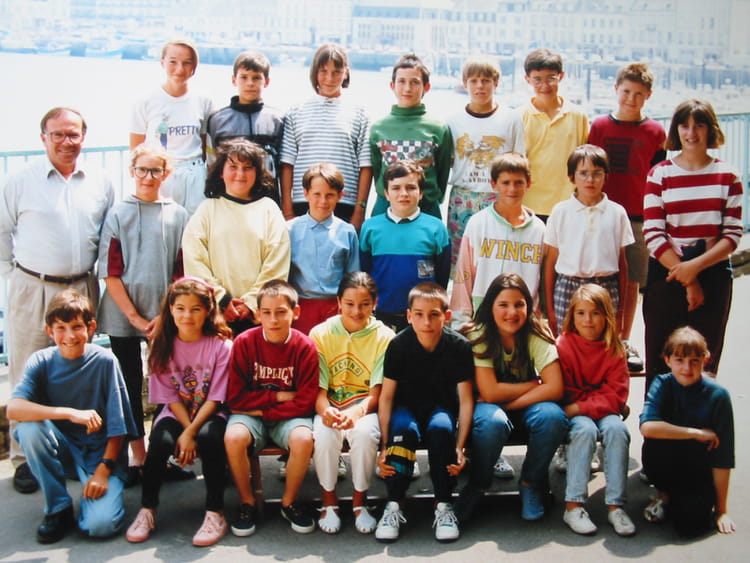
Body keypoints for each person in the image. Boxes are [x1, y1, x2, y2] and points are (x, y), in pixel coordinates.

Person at [0, 106, 114, 495]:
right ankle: (24, 459)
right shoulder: (19, 181)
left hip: (81, 286)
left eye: (73, 134)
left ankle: (75, 450)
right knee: (26, 369)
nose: (67, 141)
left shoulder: (100, 180)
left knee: (77, 370)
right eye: (58, 134)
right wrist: (13, 277)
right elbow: (2, 231)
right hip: (34, 286)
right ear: (43, 138)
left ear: (84, 137)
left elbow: (106, 235)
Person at [7, 290, 137, 543]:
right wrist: (69, 413)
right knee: (29, 430)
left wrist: (103, 471)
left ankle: (99, 491)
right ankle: (58, 508)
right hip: (63, 449)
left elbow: (118, 425)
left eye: (77, 327)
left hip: (100, 454)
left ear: (91, 328)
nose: (69, 336)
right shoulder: (41, 361)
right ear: (49, 331)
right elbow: (14, 408)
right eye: (61, 328)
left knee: (101, 526)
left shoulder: (105, 361)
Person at [97, 142, 188, 483]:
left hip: (165, 314)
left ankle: (166, 454)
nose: (148, 177)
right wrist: (134, 317)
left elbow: (182, 271)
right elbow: (110, 271)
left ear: (166, 173)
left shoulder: (177, 214)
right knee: (128, 385)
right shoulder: (117, 214)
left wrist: (166, 314)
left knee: (168, 384)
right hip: (123, 313)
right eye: (142, 170)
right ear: (132, 171)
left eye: (155, 170)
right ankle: (139, 455)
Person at [642, 99, 743, 390]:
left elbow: (732, 235)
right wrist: (688, 279)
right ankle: (657, 418)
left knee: (703, 359)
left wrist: (695, 269)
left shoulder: (728, 176)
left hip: (713, 274)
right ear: (676, 130)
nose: (691, 132)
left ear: (710, 130)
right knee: (660, 359)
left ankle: (701, 419)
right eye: (684, 126)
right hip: (667, 273)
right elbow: (654, 234)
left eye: (699, 125)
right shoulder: (660, 174)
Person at [125, 278, 233, 547]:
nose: (187, 316)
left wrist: (192, 433)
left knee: (210, 438)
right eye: (180, 308)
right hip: (177, 412)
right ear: (170, 310)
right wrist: (186, 432)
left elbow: (216, 398)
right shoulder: (161, 345)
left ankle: (215, 512)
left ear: (207, 311)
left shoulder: (221, 346)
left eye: (195, 309)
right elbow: (170, 399)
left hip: (210, 412)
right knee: (160, 441)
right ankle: (147, 508)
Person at [455, 273, 568, 523]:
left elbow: (555, 387)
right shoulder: (479, 334)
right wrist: (534, 384)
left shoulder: (535, 332)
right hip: (486, 408)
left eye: (519, 304)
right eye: (503, 305)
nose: (512, 312)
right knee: (493, 421)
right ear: (490, 307)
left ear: (528, 306)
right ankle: (477, 485)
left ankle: (531, 483)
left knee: (553, 416)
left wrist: (511, 402)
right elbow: (490, 392)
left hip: (523, 405)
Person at [375, 282, 474, 543]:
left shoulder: (459, 346)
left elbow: (465, 400)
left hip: (440, 408)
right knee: (403, 431)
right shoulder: (398, 345)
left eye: (434, 314)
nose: (426, 322)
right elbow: (387, 397)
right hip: (406, 408)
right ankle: (394, 503)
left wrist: (461, 446)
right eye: (418, 314)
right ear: (409, 316)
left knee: (441, 429)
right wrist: (383, 447)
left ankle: (443, 503)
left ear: (447, 316)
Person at [588, 62, 667, 372]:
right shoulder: (599, 126)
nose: (631, 99)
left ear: (648, 96)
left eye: (638, 94)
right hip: (602, 212)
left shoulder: (656, 132)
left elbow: (658, 177)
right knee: (599, 276)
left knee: (631, 281)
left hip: (637, 216)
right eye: (626, 92)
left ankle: (623, 338)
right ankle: (594, 339)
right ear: (616, 90)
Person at [223, 280, 318, 536]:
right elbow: (235, 399)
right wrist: (277, 397)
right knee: (234, 437)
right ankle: (248, 502)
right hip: (252, 417)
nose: (273, 319)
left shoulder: (305, 346)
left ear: (295, 312)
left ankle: (289, 502)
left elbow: (305, 401)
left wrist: (263, 409)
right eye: (266, 312)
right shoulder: (244, 342)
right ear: (257, 314)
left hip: (287, 417)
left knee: (303, 438)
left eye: (281, 312)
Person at [309, 272, 395, 534]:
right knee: (325, 435)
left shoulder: (384, 337)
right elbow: (318, 390)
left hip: (364, 407)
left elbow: (377, 392)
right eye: (349, 304)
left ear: (375, 303)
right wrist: (326, 411)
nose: (356, 311)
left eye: (364, 304)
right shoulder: (320, 333)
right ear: (338, 302)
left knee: (365, 434)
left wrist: (356, 413)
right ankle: (329, 502)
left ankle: (360, 502)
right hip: (330, 405)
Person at [182, 139, 290, 336]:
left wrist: (252, 302)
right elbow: (194, 259)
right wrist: (221, 299)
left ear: (257, 173)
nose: (240, 174)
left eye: (248, 168)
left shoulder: (269, 209)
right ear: (221, 172)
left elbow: (277, 261)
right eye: (233, 167)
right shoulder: (207, 209)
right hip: (217, 315)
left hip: (260, 315)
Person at [640, 326, 736, 537]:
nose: (686, 368)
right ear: (667, 360)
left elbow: (723, 457)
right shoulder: (662, 384)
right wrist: (696, 433)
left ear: (705, 359)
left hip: (697, 468)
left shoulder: (718, 396)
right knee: (655, 438)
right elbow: (647, 427)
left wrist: (721, 510)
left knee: (690, 526)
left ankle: (686, 500)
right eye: (679, 360)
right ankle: (664, 495)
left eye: (694, 360)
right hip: (668, 460)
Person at [557, 285, 635, 537]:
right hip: (579, 414)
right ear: (572, 316)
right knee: (584, 430)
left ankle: (616, 506)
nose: (587, 320)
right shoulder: (564, 345)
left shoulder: (614, 348)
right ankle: (573, 505)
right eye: (581, 313)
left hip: (594, 409)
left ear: (606, 316)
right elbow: (565, 389)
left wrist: (582, 405)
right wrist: (585, 405)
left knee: (617, 429)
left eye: (595, 313)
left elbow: (617, 395)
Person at [544, 144, 634, 336]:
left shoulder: (617, 213)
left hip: (606, 286)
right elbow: (550, 262)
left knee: (602, 342)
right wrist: (550, 310)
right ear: (572, 177)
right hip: (568, 286)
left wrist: (621, 312)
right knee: (566, 343)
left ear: (606, 176)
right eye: (583, 173)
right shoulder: (560, 212)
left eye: (597, 173)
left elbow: (622, 263)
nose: (590, 179)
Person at [280, 43, 371, 230]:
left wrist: (359, 211)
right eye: (323, 71)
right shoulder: (296, 111)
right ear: (315, 72)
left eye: (336, 72)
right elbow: (287, 163)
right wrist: (287, 209)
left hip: (344, 202)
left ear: (346, 73)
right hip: (303, 201)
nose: (330, 78)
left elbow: (366, 166)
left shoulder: (359, 112)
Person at [450, 152, 544, 330]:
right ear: (494, 184)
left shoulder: (539, 229)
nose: (512, 189)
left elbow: (542, 280)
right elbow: (464, 273)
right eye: (506, 183)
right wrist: (460, 321)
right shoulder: (478, 223)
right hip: (483, 318)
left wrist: (539, 320)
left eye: (518, 183)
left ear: (528, 184)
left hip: (523, 320)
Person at [446, 54, 525, 266]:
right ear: (465, 84)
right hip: (463, 198)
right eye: (474, 80)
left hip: (499, 197)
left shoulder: (511, 119)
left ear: (496, 82)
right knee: (462, 262)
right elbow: (449, 161)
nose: (480, 86)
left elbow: (520, 162)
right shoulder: (453, 121)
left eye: (486, 80)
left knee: (497, 261)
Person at [360, 160, 450, 333]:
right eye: (396, 188)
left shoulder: (436, 228)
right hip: (382, 314)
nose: (403, 194)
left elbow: (442, 275)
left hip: (422, 317)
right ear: (386, 194)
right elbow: (365, 271)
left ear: (421, 193)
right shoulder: (370, 227)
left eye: (411, 188)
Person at [130, 38, 215, 215]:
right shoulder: (146, 101)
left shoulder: (203, 101)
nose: (179, 69)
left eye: (187, 63)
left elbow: (204, 143)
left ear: (194, 67)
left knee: (195, 226)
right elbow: (136, 149)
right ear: (162, 62)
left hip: (194, 175)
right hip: (160, 174)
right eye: (173, 62)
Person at [369, 53, 453, 219]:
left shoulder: (438, 128)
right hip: (386, 207)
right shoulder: (379, 128)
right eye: (401, 81)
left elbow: (443, 171)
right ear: (392, 85)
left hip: (426, 206)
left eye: (414, 82)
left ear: (426, 87)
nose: (407, 88)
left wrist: (434, 197)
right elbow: (376, 170)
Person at [288, 163, 360, 335]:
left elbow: (353, 276)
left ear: (340, 196)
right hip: (300, 306)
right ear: (306, 193)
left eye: (330, 195)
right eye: (317, 194)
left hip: (335, 308)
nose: (323, 201)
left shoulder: (347, 231)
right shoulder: (289, 230)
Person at [520, 48, 588, 220]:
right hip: (528, 203)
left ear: (561, 76)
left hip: (569, 204)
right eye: (537, 79)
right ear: (527, 79)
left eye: (551, 78)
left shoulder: (578, 116)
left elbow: (584, 162)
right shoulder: (519, 117)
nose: (544, 85)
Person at [207, 50, 284, 204]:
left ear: (266, 81)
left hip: (267, 198)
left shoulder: (277, 120)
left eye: (256, 78)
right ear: (234, 80)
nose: (250, 83)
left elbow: (283, 166)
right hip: (228, 198)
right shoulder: (217, 120)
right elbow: (211, 163)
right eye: (244, 77)